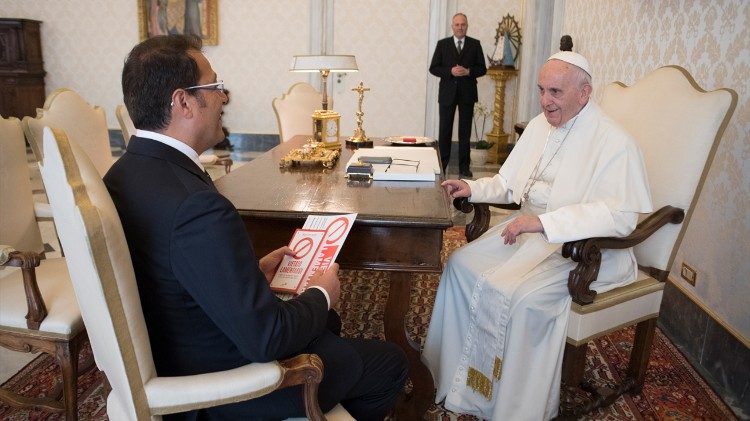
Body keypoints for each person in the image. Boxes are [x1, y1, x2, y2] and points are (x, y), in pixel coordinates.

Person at [105, 35, 407, 420]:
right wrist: (321, 291)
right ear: (183, 101)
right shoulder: (197, 206)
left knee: (327, 326)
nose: (224, 97)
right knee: (389, 362)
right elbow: (268, 339)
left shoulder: (123, 172)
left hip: (176, 345)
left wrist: (247, 273)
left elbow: (173, 272)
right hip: (219, 389)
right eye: (214, 87)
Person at [422, 52, 652, 420]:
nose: (546, 101)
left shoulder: (614, 141)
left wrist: (545, 224)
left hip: (585, 252)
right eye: (542, 90)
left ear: (584, 93)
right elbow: (509, 183)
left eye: (556, 92)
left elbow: (621, 218)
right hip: (529, 235)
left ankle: (513, 407)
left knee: (522, 300)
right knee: (460, 265)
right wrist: (471, 187)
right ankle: (459, 377)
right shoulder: (539, 126)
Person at [429, 12, 487, 178]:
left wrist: (469, 71)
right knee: (444, 131)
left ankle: (464, 167)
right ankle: (442, 164)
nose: (460, 27)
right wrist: (450, 71)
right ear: (452, 26)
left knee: (465, 132)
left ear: (467, 26)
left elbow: (482, 68)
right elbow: (433, 68)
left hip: (467, 94)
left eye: (463, 24)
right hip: (447, 93)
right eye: (457, 24)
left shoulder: (475, 44)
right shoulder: (443, 44)